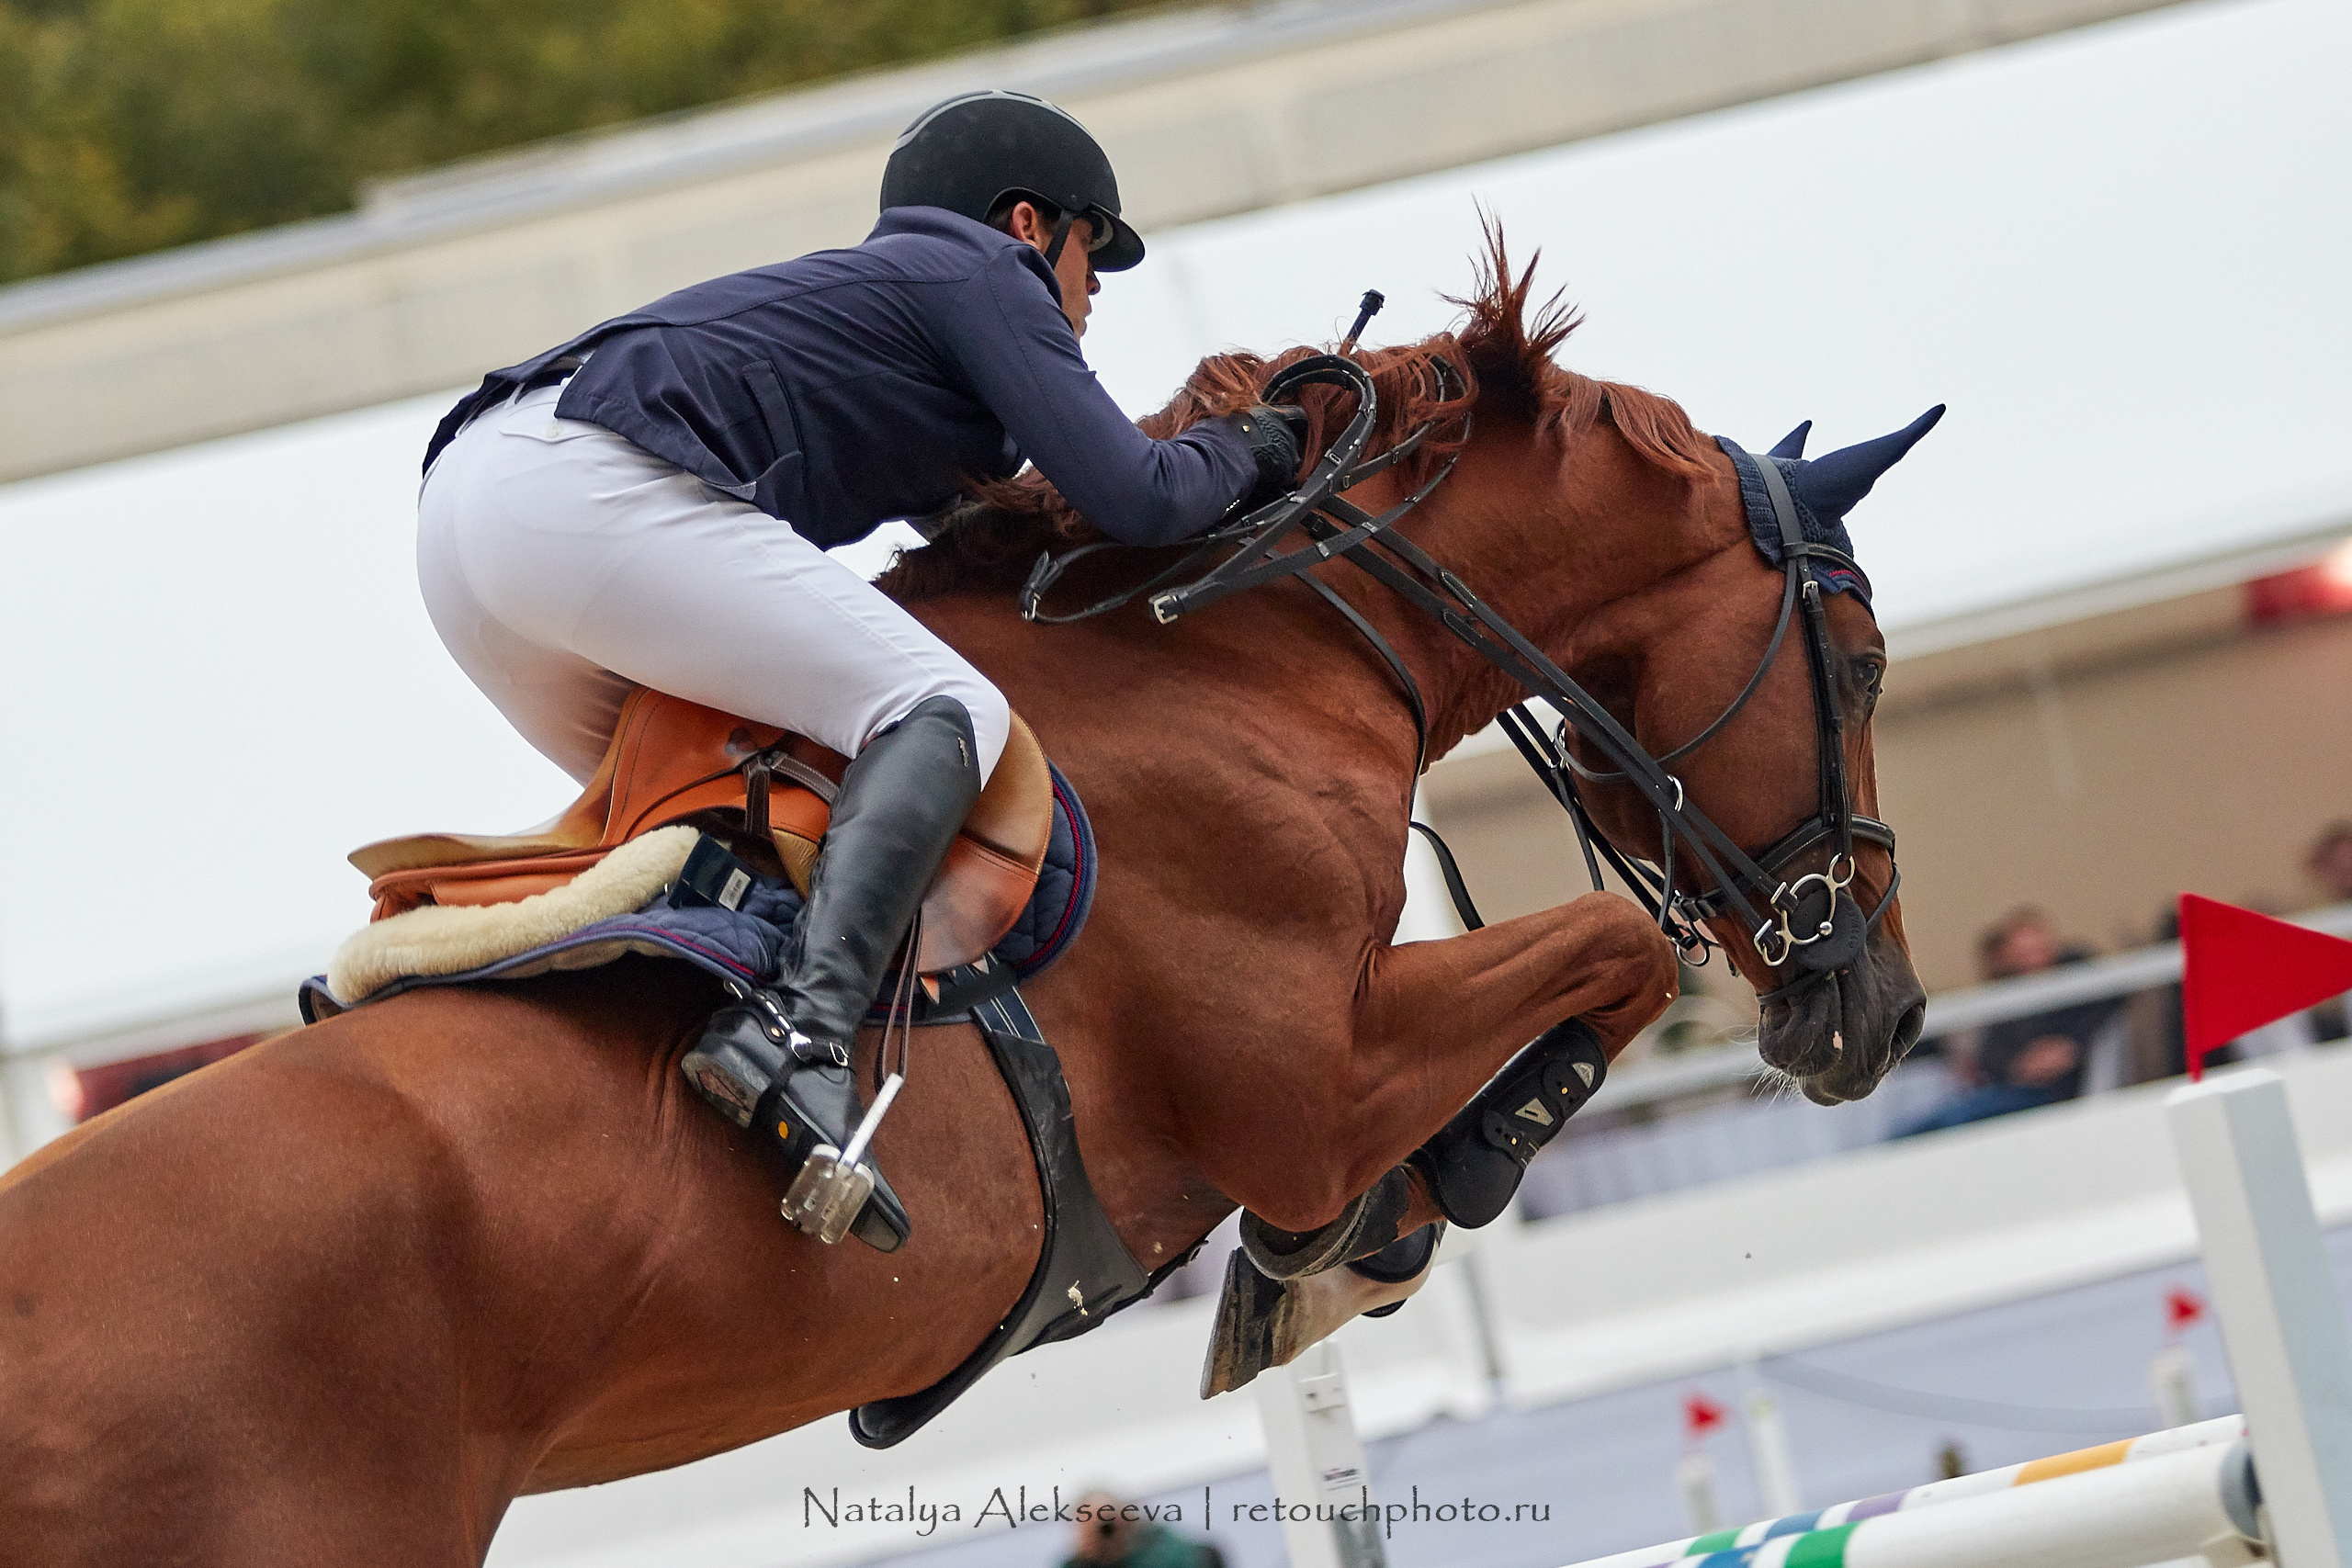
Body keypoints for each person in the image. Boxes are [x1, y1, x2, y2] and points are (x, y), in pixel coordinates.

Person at [413, 90, 1307, 1239]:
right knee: (942, 704)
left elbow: (1014, 534)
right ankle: (794, 1040)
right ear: (1029, 224)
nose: (1094, 296)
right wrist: (1250, 444)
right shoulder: (983, 274)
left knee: (752, 814)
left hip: (472, 534)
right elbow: (1139, 494)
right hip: (578, 492)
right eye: (1096, 254)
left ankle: (673, 1094)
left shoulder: (892, 318)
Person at [1897, 908, 2119, 1135]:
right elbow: (1992, 1055)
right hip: (2013, 1089)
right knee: (1933, 1123)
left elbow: (2111, 1005)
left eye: (2038, 949)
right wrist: (2019, 1065)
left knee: (1948, 1122)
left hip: (2052, 1094)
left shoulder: (2078, 979)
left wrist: (2071, 1046)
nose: (2034, 960)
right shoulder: (2010, 996)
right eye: (2024, 954)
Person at [1061, 1490, 1226, 1568]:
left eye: (1108, 1522)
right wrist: (1085, 1558)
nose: (1104, 1533)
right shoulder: (1077, 1563)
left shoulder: (1159, 1548)